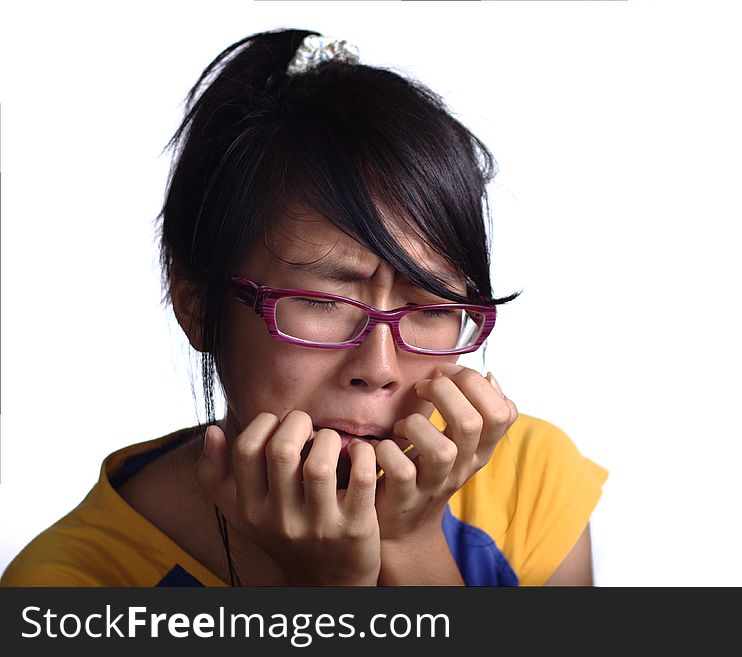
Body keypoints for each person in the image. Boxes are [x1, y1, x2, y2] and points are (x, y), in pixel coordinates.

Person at [1, 29, 608, 587]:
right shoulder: (70, 585)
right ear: (195, 304)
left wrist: (409, 541)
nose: (380, 366)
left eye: (432, 307)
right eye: (323, 302)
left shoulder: (527, 479)